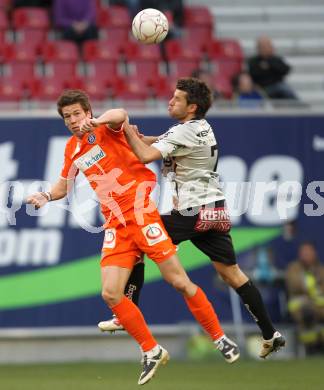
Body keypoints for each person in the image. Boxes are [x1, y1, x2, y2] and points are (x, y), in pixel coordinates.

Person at [26, 89, 239, 385]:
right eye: (67, 117)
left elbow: (121, 114)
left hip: (141, 214)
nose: (73, 121)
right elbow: (63, 187)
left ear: (87, 112)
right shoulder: (72, 150)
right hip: (115, 225)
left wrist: (98, 121)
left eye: (77, 114)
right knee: (111, 294)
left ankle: (219, 338)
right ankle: (151, 350)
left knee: (178, 281)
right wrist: (45, 195)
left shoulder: (107, 128)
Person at [99, 77, 286, 359]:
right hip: (215, 211)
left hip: (192, 211)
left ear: (192, 107)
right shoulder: (199, 128)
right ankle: (271, 333)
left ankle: (125, 312)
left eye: (177, 98)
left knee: (138, 237)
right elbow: (159, 143)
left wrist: (125, 130)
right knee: (233, 274)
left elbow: (145, 156)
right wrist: (135, 136)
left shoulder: (184, 131)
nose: (171, 101)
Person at [286, 241, 324, 355]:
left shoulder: (321, 269)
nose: (306, 254)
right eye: (303, 252)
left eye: (308, 252)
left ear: (314, 253)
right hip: (301, 306)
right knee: (307, 313)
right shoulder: (294, 268)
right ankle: (310, 348)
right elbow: (294, 285)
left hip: (319, 304)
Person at [248, 36, 297, 100]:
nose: (265, 49)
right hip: (263, 87)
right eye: (263, 47)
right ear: (258, 48)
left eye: (267, 46)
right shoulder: (253, 61)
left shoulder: (275, 59)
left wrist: (269, 64)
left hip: (278, 85)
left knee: (285, 89)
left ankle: (300, 107)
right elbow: (253, 73)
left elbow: (285, 70)